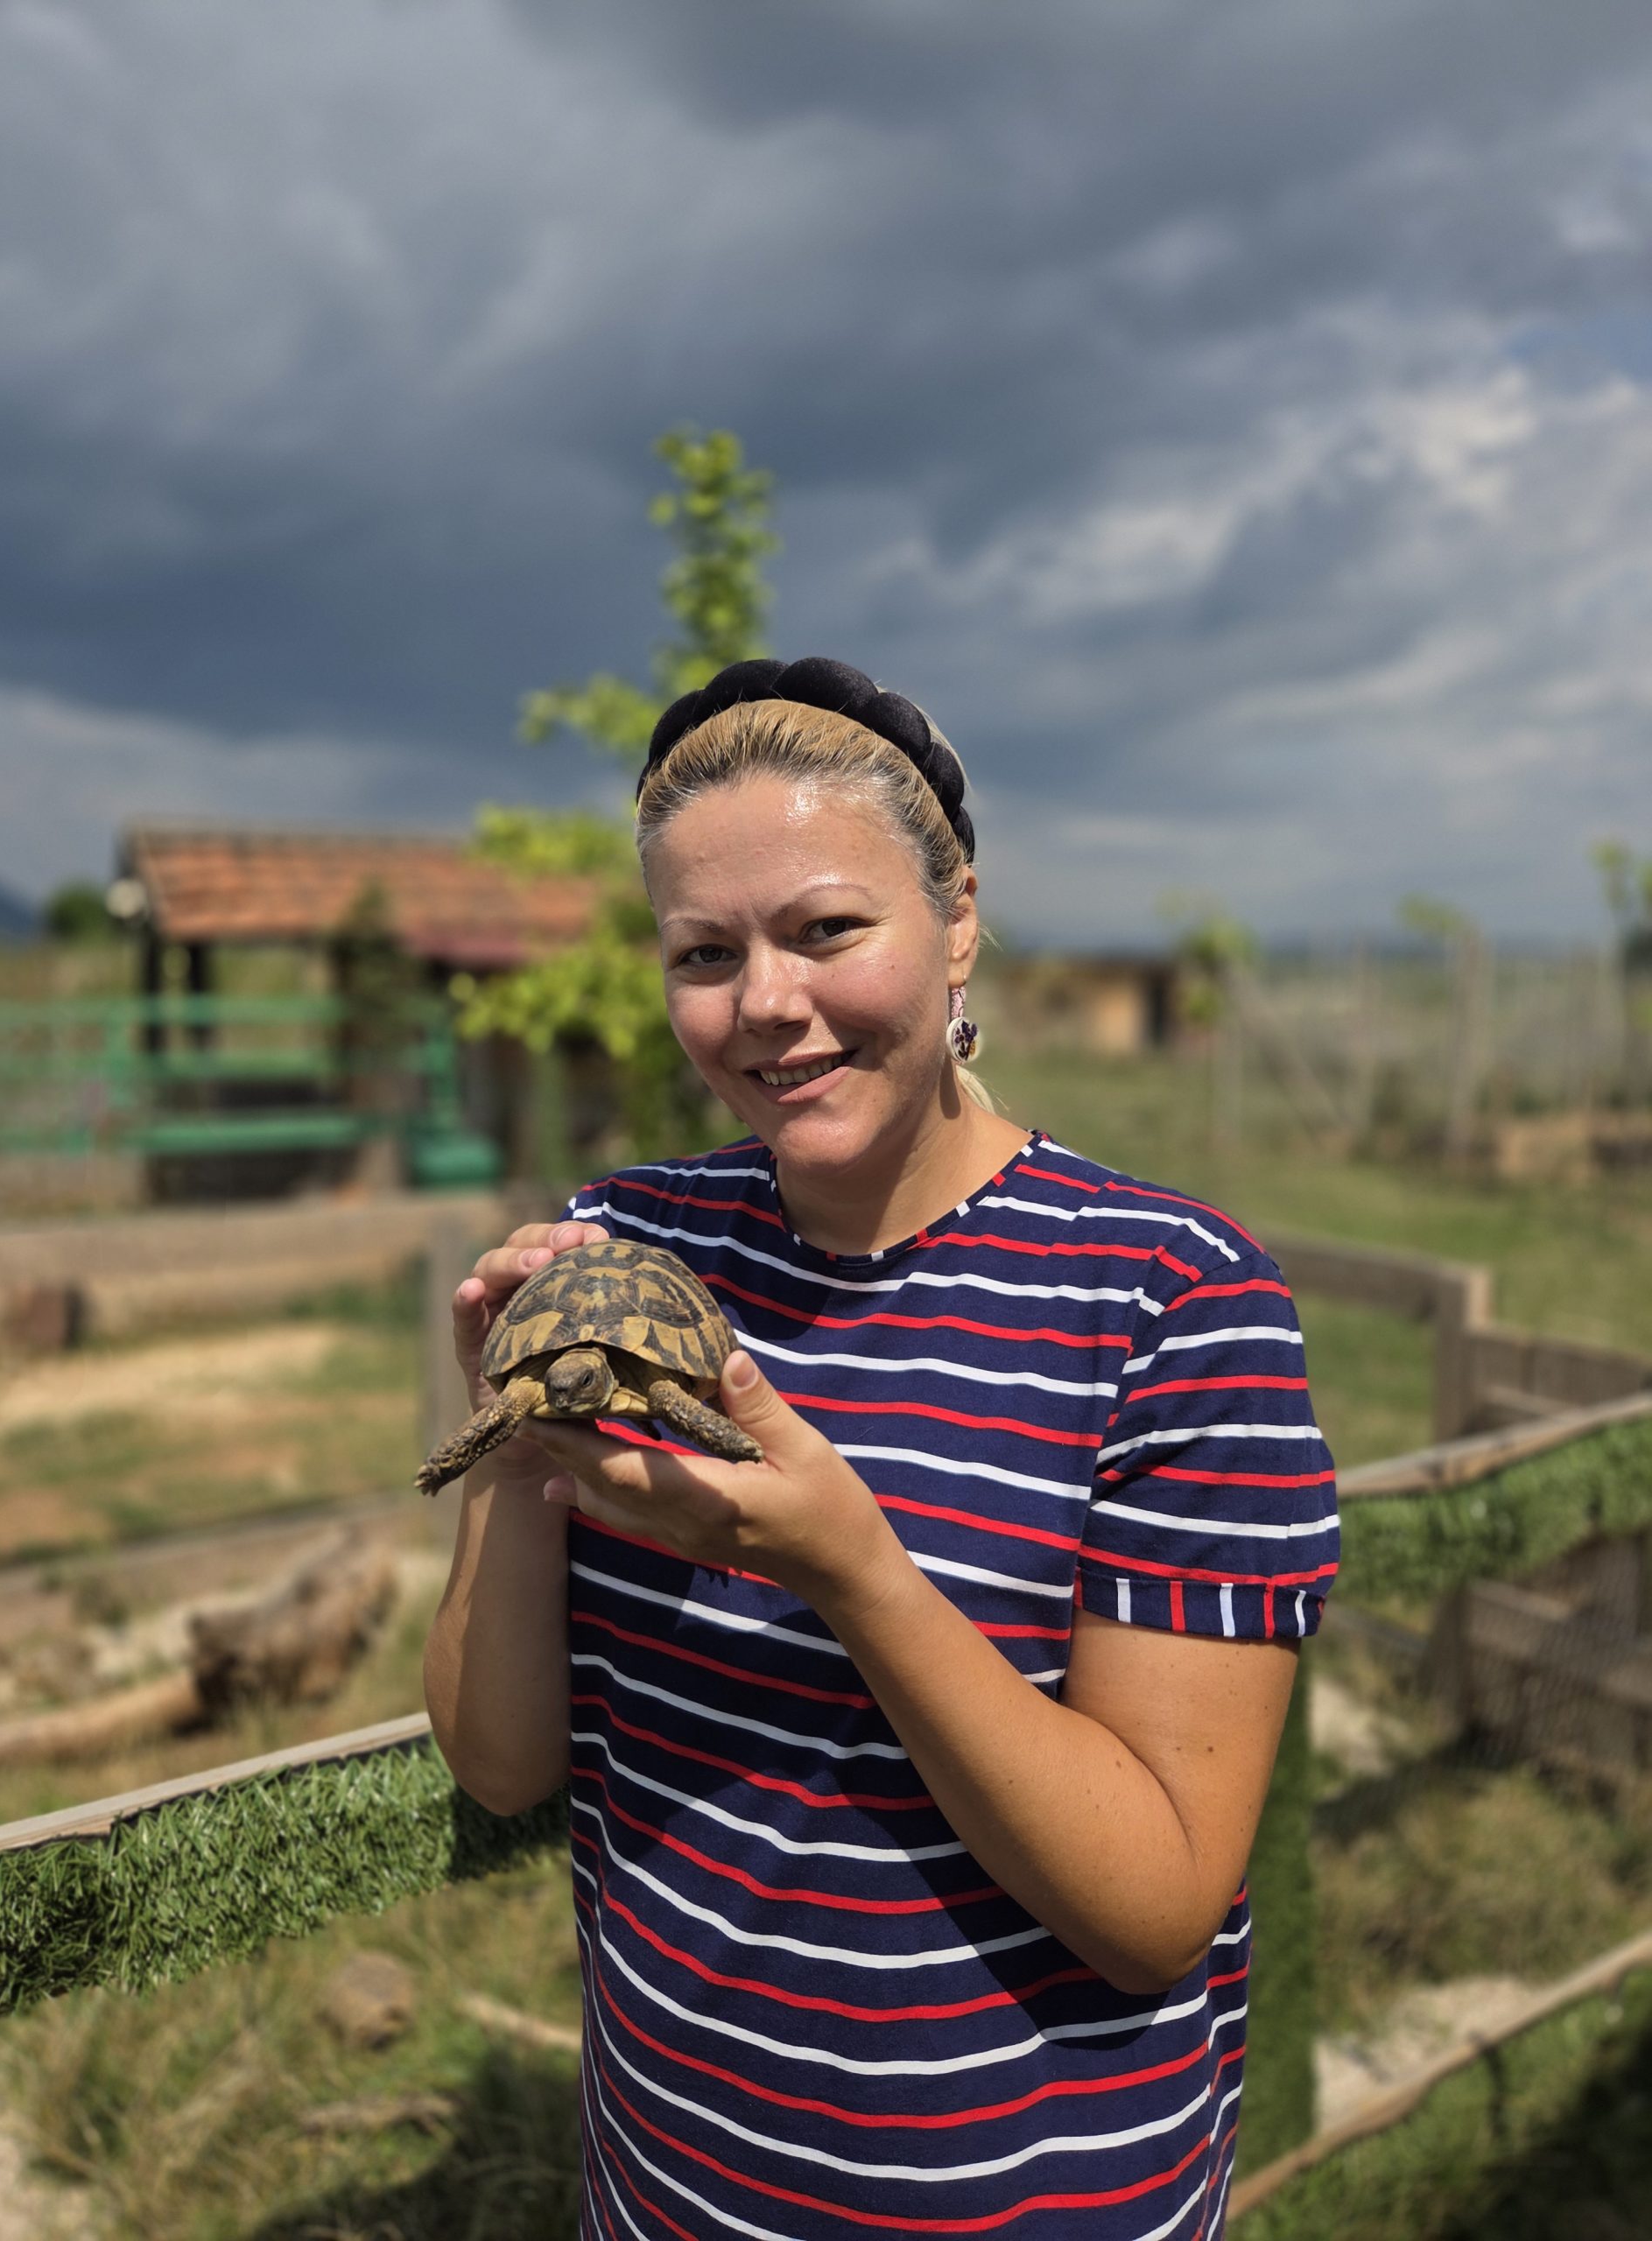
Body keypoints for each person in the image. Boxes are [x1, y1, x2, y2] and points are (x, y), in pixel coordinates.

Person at [424, 657, 1339, 2241]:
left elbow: (1155, 1910)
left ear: (959, 917)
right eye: (704, 952)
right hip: (670, 2195)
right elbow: (504, 1765)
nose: (764, 1003)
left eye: (827, 929)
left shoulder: (1174, 1299)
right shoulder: (624, 1237)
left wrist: (850, 1565)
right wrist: (514, 1443)